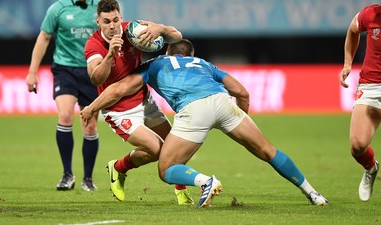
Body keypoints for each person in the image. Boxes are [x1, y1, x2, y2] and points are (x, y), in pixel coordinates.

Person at [81, 39, 329, 207]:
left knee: (166, 168)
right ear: (191, 55)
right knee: (268, 151)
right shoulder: (205, 64)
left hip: (193, 109)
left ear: (168, 53)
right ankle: (313, 193)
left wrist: (93, 107)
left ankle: (204, 182)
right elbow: (241, 92)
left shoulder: (155, 64)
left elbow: (120, 89)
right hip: (223, 102)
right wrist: (240, 120)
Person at [83, 0, 193, 205]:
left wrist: (159, 28)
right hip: (118, 110)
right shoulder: (93, 45)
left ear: (121, 18)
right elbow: (96, 78)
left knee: (175, 146)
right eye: (106, 21)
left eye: (115, 20)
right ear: (98, 21)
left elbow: (177, 37)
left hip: (144, 100)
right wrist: (110, 56)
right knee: (155, 149)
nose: (112, 26)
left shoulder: (132, 30)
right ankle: (118, 168)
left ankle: (181, 192)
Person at [25, 0, 100, 191]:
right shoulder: (58, 9)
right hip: (65, 70)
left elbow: (114, 35)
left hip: (92, 73)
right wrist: (32, 71)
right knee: (65, 115)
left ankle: (88, 178)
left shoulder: (101, 8)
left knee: (90, 126)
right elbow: (44, 38)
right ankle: (67, 174)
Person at [339, 4, 381, 202]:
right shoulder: (371, 13)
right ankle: (371, 168)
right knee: (357, 145)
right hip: (371, 85)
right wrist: (348, 63)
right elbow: (352, 30)